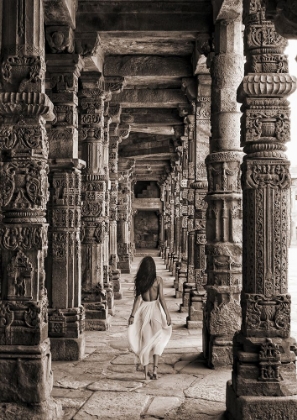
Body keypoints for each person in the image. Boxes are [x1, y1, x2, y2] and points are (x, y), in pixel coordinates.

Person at [128, 256, 172, 380]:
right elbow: (162, 299)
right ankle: (155, 370)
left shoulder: (140, 281)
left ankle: (146, 374)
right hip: (156, 310)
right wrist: (167, 315)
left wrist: (132, 315)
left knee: (146, 342)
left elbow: (137, 300)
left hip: (144, 310)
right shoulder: (158, 280)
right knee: (157, 340)